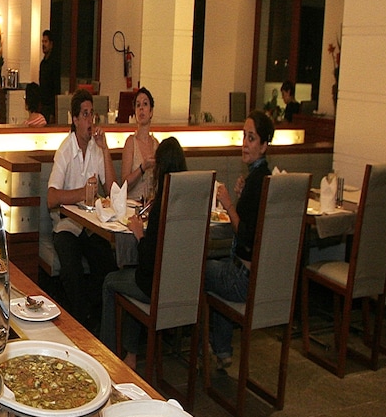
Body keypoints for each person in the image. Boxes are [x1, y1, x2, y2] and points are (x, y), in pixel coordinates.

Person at [100, 137, 187, 367]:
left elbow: (149, 259)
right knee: (133, 276)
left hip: (156, 287)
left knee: (111, 281)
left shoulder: (162, 205)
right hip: (185, 286)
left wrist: (139, 234)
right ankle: (131, 354)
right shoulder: (187, 202)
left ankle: (107, 354)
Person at [204, 110, 275, 370]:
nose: (244, 143)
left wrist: (228, 203)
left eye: (251, 138)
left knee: (199, 269)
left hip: (243, 279)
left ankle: (204, 350)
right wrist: (241, 198)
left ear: (264, 145)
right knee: (219, 266)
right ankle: (222, 350)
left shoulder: (257, 182)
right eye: (244, 136)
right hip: (263, 278)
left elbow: (245, 235)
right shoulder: (264, 178)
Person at [47, 89, 117, 330]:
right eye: (85, 115)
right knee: (72, 269)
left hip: (91, 225)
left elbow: (113, 189)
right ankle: (79, 324)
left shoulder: (97, 148)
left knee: (107, 263)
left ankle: (97, 322)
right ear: (75, 119)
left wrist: (105, 149)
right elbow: (51, 198)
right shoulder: (65, 150)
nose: (90, 120)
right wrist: (83, 193)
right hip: (67, 225)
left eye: (92, 114)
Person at [120, 86, 159, 200]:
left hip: (151, 203)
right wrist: (142, 168)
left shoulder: (156, 144)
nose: (141, 108)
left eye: (145, 104)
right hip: (133, 204)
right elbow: (125, 185)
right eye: (138, 105)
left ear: (151, 112)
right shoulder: (131, 142)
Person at [38, 28, 58, 122]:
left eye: (46, 42)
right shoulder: (43, 63)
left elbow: (56, 88)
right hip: (43, 105)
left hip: (50, 106)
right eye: (42, 42)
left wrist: (53, 112)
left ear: (51, 44)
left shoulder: (54, 63)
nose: (43, 44)